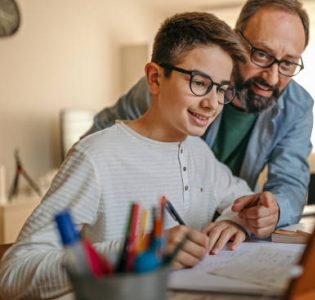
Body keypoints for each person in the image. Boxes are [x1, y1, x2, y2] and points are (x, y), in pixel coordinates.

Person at [0, 12, 254, 299]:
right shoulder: (95, 157)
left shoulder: (198, 151)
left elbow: (242, 197)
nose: (212, 103)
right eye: (199, 82)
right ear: (155, 78)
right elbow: (13, 275)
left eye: (222, 89)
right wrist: (136, 251)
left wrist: (235, 220)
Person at [86, 0, 314, 237]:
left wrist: (267, 212)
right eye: (261, 54)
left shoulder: (298, 107)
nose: (273, 77)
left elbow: (290, 183)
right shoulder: (170, 82)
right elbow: (101, 139)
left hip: (225, 231)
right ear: (237, 40)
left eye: (288, 63)